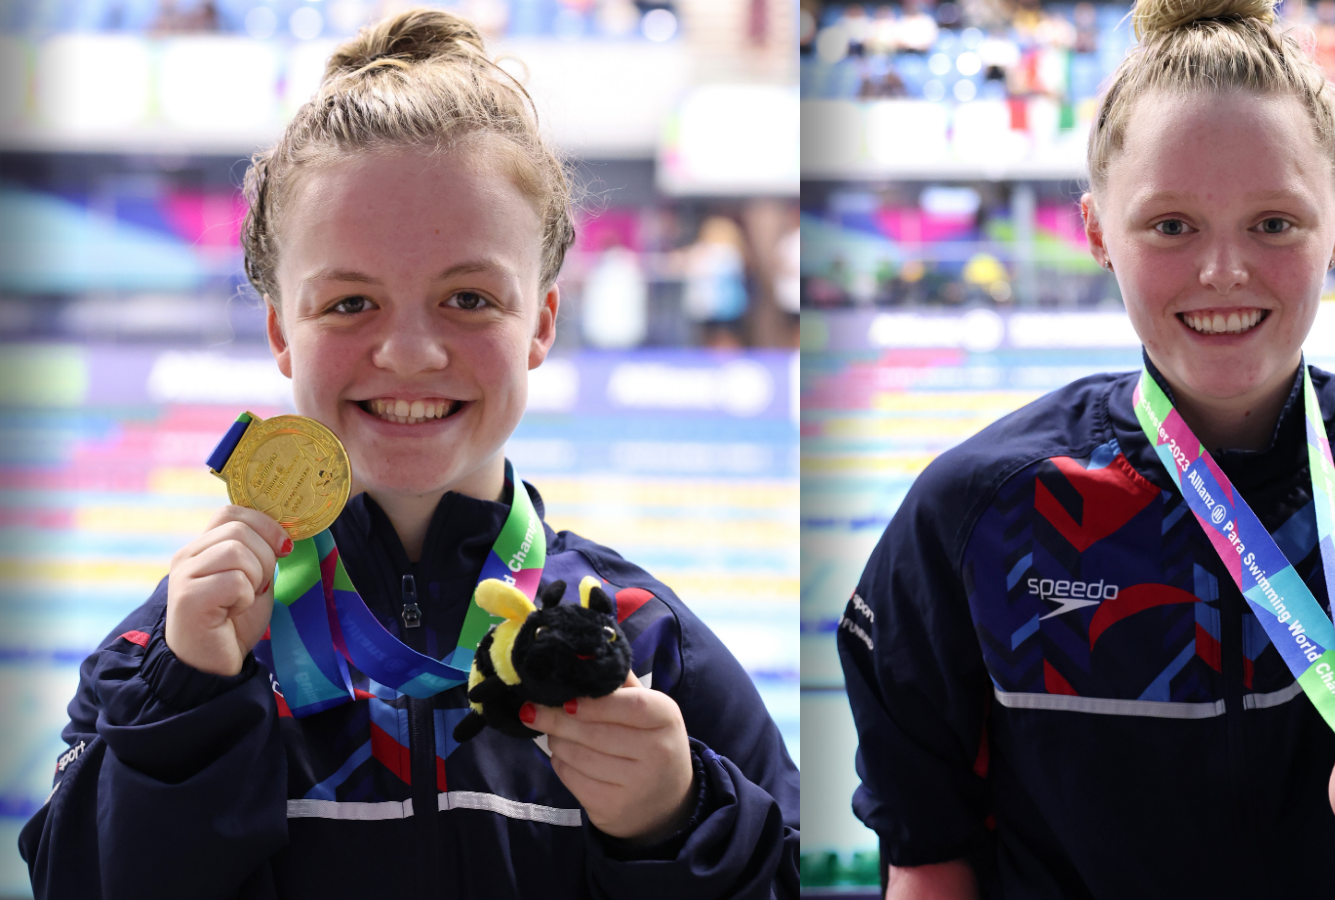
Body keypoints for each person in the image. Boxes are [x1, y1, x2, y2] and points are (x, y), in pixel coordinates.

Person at [20, 11, 799, 898]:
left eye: (468, 297)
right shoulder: (180, 648)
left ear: (539, 323)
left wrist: (681, 821)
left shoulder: (645, 643)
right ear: (283, 331)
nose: (410, 354)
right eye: (350, 304)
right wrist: (189, 709)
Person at [836, 0, 1335, 897]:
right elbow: (931, 862)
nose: (1223, 272)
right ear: (1097, 232)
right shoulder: (974, 514)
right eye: (1171, 226)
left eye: (1275, 223)